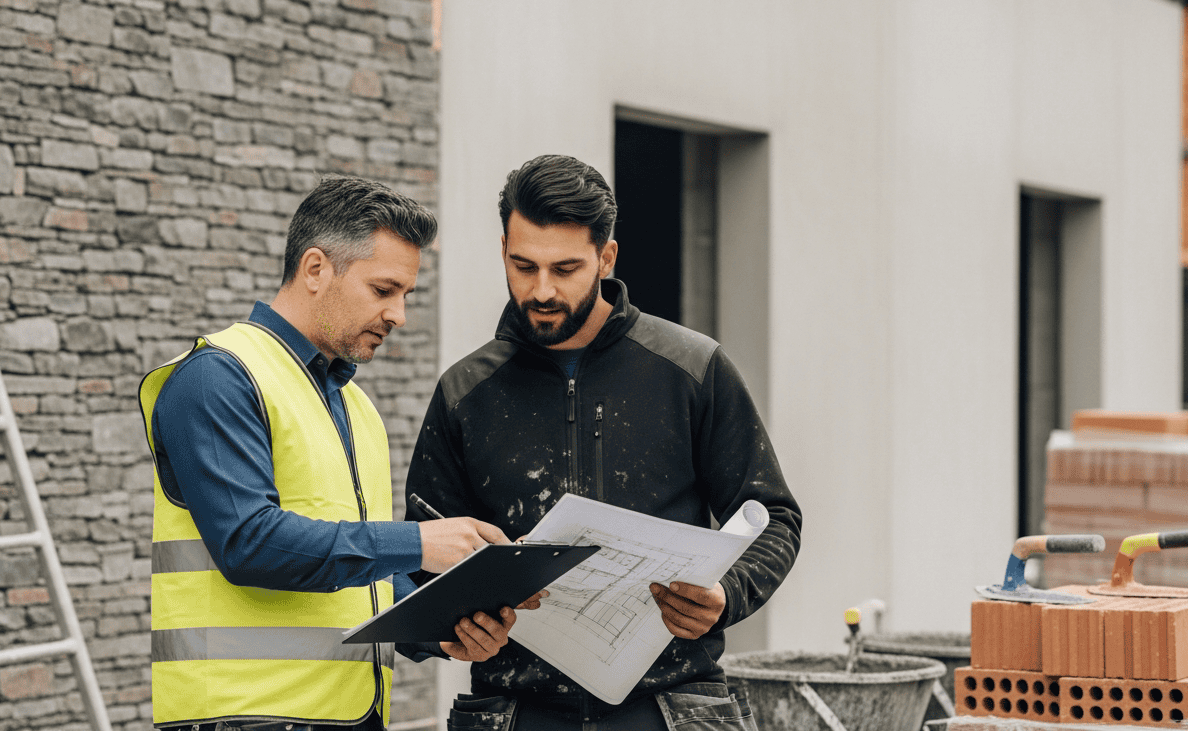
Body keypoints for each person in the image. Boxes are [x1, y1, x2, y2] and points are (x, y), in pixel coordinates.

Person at [406, 154, 803, 730]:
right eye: (523, 266)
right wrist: (458, 627)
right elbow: (423, 563)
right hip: (515, 712)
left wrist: (726, 595)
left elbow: (774, 517)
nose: (541, 290)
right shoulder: (465, 392)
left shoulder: (693, 369)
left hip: (671, 708)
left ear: (606, 257)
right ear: (503, 252)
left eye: (565, 269)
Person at [142, 175, 534, 731]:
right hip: (244, 716)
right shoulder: (218, 378)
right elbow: (248, 543)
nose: (399, 314)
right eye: (384, 290)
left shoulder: (355, 406)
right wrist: (421, 543)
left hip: (347, 716)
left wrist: (442, 629)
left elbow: (356, 572)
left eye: (406, 295)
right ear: (316, 269)